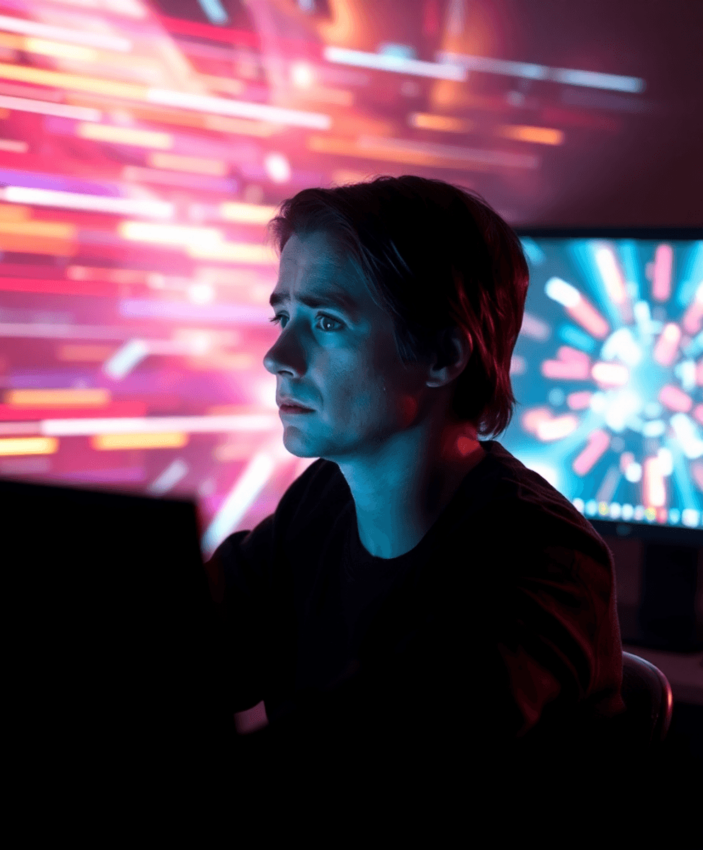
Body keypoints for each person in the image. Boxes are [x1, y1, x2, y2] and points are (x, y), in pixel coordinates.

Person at [202, 175, 631, 839]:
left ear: (441, 355)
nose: (278, 356)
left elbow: (396, 766)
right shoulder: (321, 501)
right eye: (282, 316)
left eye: (327, 322)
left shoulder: (545, 564)